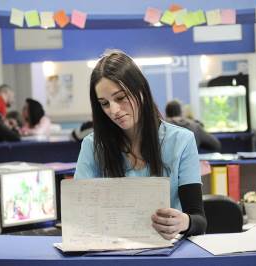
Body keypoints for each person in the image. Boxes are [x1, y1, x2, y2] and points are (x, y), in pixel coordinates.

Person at [74, 50, 206, 240]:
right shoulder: (93, 146)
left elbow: (199, 220)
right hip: (111, 253)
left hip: (166, 252)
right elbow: (80, 213)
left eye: (120, 98)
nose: (114, 110)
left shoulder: (181, 141)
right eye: (104, 103)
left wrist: (184, 222)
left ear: (141, 90)